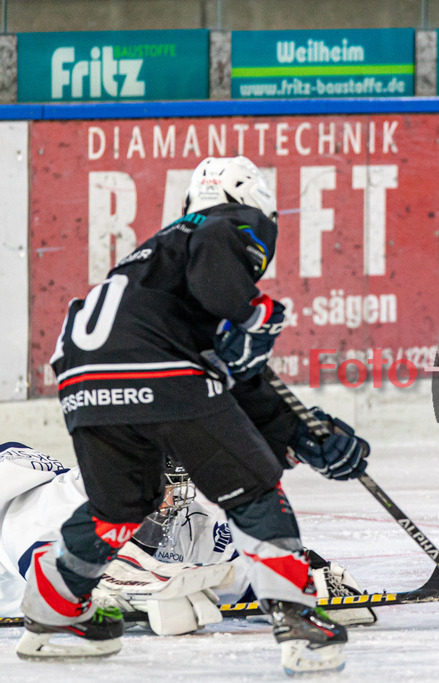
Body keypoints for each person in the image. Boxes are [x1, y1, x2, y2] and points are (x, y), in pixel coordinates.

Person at [19, 156, 370, 674]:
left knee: (116, 510)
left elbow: (226, 378)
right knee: (252, 488)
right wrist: (254, 315)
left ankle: (50, 616)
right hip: (157, 373)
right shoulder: (226, 223)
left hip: (82, 382)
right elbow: (218, 310)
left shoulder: (151, 267)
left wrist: (293, 432)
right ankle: (298, 623)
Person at [0, 442, 375, 633]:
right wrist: (130, 584)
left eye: (176, 485)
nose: (169, 500)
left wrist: (301, 582)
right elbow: (49, 570)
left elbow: (239, 571)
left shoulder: (189, 521)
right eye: (160, 484)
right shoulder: (61, 505)